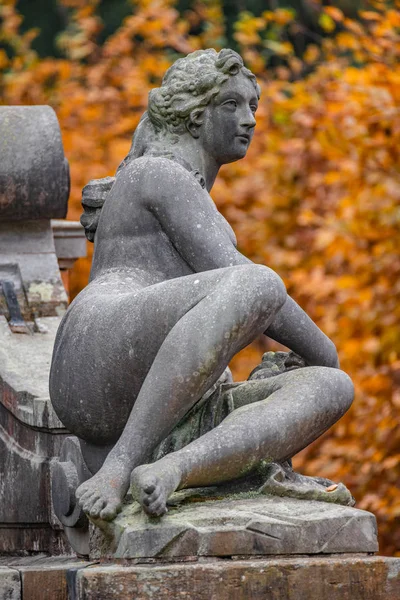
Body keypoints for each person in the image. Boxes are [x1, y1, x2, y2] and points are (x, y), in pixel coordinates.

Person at [49, 48, 354, 521]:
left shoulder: (191, 194)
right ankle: (121, 462)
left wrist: (325, 366)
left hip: (164, 387)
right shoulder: (158, 173)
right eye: (231, 105)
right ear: (194, 116)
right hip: (98, 351)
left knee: (332, 387)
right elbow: (241, 276)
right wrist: (323, 348)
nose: (249, 119)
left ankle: (175, 468)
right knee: (259, 284)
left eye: (253, 105)